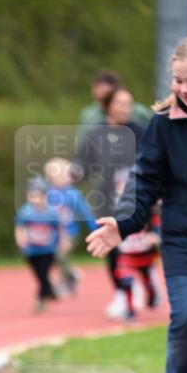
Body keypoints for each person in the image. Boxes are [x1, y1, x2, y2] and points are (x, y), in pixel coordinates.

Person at [87, 35, 187, 373]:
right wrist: (120, 225)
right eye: (178, 80)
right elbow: (144, 183)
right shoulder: (163, 125)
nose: (184, 89)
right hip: (186, 243)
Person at [74, 87, 145, 319]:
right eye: (121, 104)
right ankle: (121, 294)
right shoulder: (95, 135)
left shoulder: (141, 132)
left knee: (140, 247)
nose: (126, 109)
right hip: (106, 201)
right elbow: (82, 165)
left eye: (129, 104)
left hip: (137, 199)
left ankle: (144, 278)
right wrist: (72, 172)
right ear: (108, 106)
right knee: (112, 247)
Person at [44, 158, 96, 295]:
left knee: (60, 255)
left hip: (70, 233)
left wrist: (95, 229)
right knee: (55, 258)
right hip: (51, 234)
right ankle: (71, 278)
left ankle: (67, 280)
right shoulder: (46, 193)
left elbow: (85, 212)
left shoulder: (73, 194)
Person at [14, 178, 63, 313]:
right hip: (31, 250)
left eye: (37, 195)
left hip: (47, 250)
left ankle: (40, 300)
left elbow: (58, 228)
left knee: (43, 273)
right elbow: (19, 227)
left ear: (44, 196)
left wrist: (62, 242)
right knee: (39, 274)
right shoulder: (25, 212)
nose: (34, 199)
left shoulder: (51, 213)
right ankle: (50, 290)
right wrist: (20, 239)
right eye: (31, 195)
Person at [79, 69, 151, 132]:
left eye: (105, 92)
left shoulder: (139, 113)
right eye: (98, 89)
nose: (124, 110)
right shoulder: (89, 114)